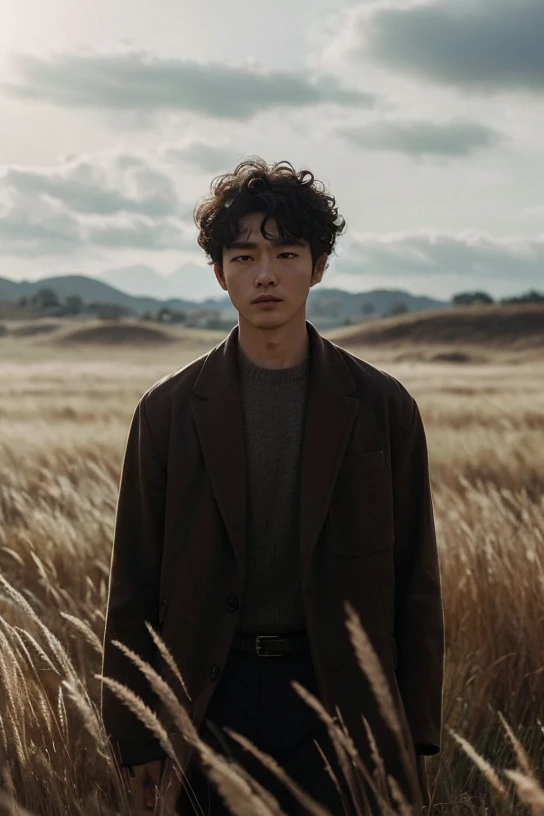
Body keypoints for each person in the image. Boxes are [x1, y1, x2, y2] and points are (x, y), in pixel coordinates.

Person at [100, 158, 444, 815]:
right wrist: (134, 733)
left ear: (318, 266)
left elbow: (416, 582)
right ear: (219, 272)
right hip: (208, 698)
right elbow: (133, 583)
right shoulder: (168, 411)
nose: (265, 274)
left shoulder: (383, 406)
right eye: (244, 255)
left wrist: (415, 739)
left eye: (286, 252)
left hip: (340, 699)